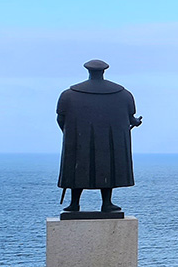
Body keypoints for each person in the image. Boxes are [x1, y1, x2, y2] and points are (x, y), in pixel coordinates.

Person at [57, 60, 142, 213]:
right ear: (103, 71)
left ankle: (74, 204)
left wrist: (71, 135)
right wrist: (136, 122)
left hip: (79, 141)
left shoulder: (68, 95)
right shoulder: (123, 95)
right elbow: (130, 118)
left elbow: (61, 119)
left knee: (78, 170)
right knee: (107, 169)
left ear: (88, 71)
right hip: (109, 142)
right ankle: (106, 203)